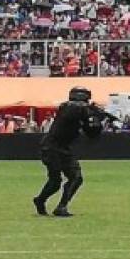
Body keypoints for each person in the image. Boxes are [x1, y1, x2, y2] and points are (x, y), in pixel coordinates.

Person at [33, 86, 105, 217]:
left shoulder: (82, 112)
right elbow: (74, 110)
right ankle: (40, 200)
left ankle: (61, 206)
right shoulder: (67, 107)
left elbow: (91, 134)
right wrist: (91, 112)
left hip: (63, 148)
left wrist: (98, 122)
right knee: (55, 181)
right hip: (51, 147)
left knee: (76, 178)